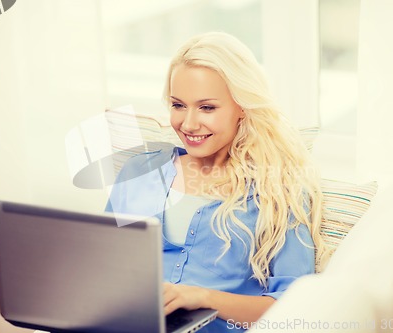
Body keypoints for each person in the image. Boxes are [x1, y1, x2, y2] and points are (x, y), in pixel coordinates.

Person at [105, 31, 327, 332]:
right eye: (178, 105)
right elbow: (100, 271)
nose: (188, 124)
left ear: (243, 107)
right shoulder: (139, 171)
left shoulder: (278, 191)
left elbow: (293, 308)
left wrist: (203, 297)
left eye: (207, 107)